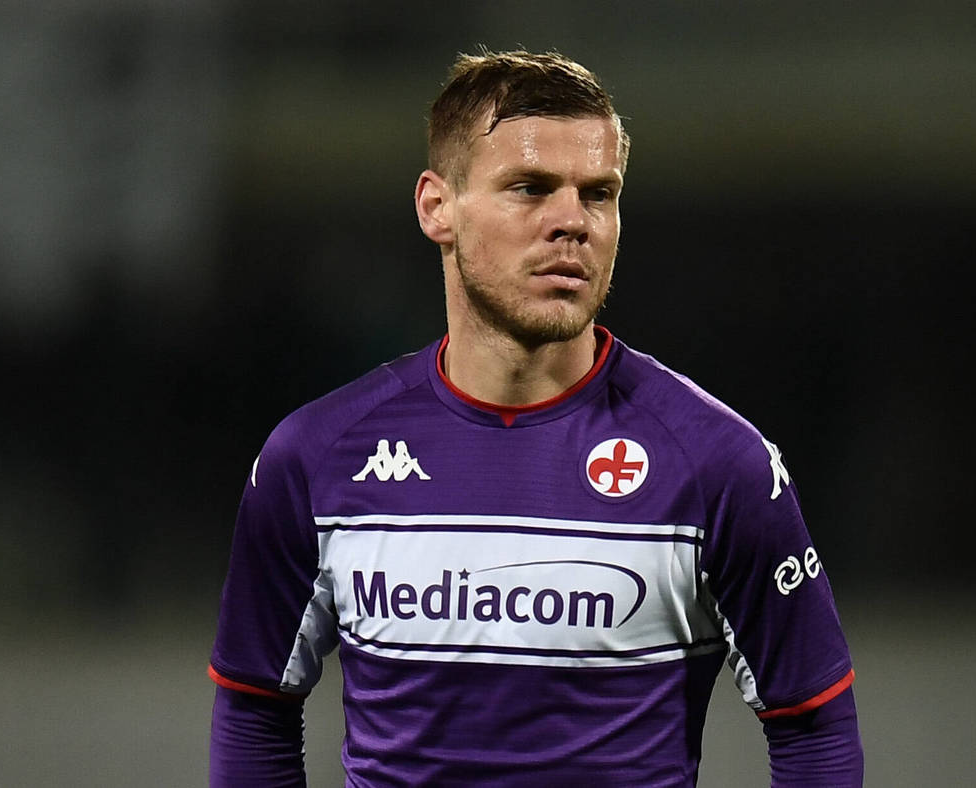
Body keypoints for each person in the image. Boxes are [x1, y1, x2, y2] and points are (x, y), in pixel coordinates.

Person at [208, 50, 863, 786]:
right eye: (530, 188)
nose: (572, 222)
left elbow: (814, 728)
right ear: (437, 208)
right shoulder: (315, 457)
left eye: (599, 194)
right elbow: (255, 707)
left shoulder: (717, 464)